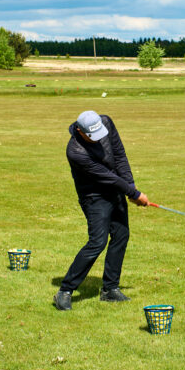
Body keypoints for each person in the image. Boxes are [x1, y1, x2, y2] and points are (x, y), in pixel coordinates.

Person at [54, 110, 148, 311]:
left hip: (116, 190)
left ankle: (110, 289)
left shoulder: (106, 122)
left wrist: (130, 186)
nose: (97, 139)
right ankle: (65, 291)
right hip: (94, 197)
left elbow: (119, 155)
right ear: (80, 131)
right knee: (97, 242)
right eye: (92, 136)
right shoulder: (76, 152)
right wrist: (133, 192)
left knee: (121, 235)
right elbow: (107, 177)